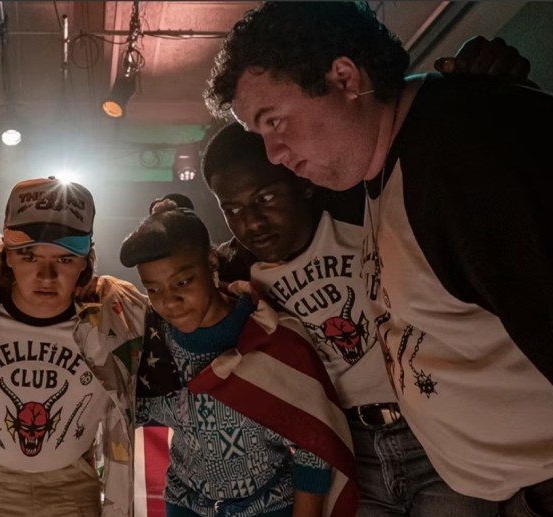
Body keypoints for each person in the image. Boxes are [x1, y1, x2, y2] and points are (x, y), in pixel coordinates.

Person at [205, 2, 553, 514]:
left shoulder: (465, 154)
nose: (274, 153)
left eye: (274, 121)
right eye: (262, 136)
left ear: (345, 78)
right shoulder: (382, 169)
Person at [203, 122, 498, 515]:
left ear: (303, 183)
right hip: (351, 450)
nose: (252, 222)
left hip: (436, 435)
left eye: (266, 198)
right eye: (233, 210)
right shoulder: (236, 273)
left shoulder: (364, 216)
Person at [0, 177, 147, 517]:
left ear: (85, 260)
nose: (46, 275)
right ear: (7, 256)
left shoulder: (118, 319)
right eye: (29, 256)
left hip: (73, 491)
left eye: (65, 259)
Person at [120, 200, 356, 517]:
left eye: (183, 282)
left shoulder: (267, 335)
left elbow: (313, 444)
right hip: (186, 503)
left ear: (211, 261)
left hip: (269, 505)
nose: (170, 301)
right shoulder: (155, 341)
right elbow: (129, 407)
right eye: (153, 289)